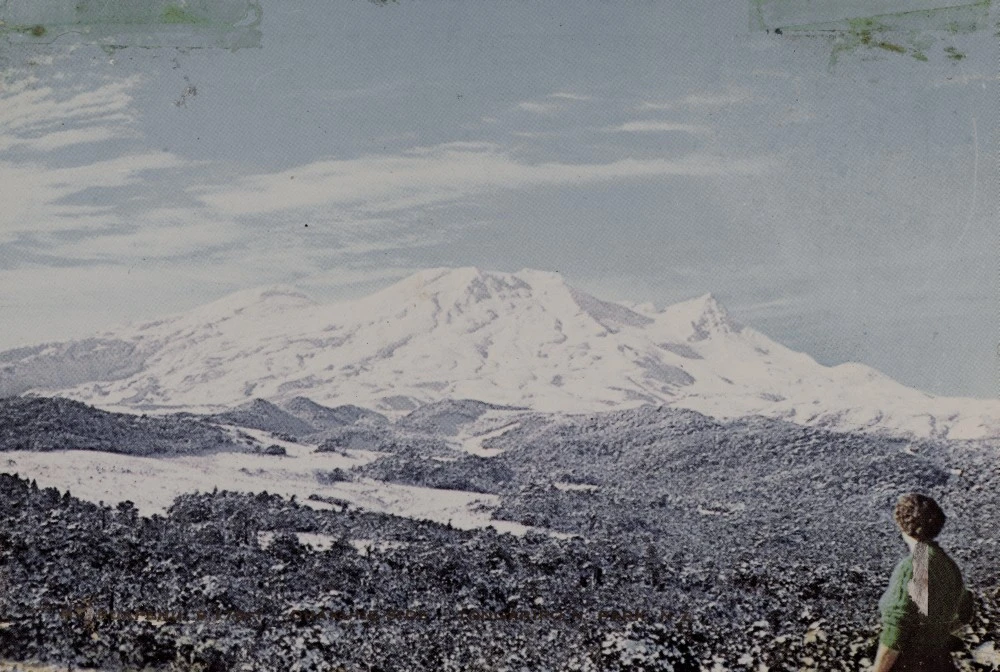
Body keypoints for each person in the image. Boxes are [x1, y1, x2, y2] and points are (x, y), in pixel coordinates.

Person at [871, 493, 974, 672]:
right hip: (941, 663)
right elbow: (965, 611)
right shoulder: (946, 563)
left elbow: (897, 630)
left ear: (901, 524)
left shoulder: (914, 566)